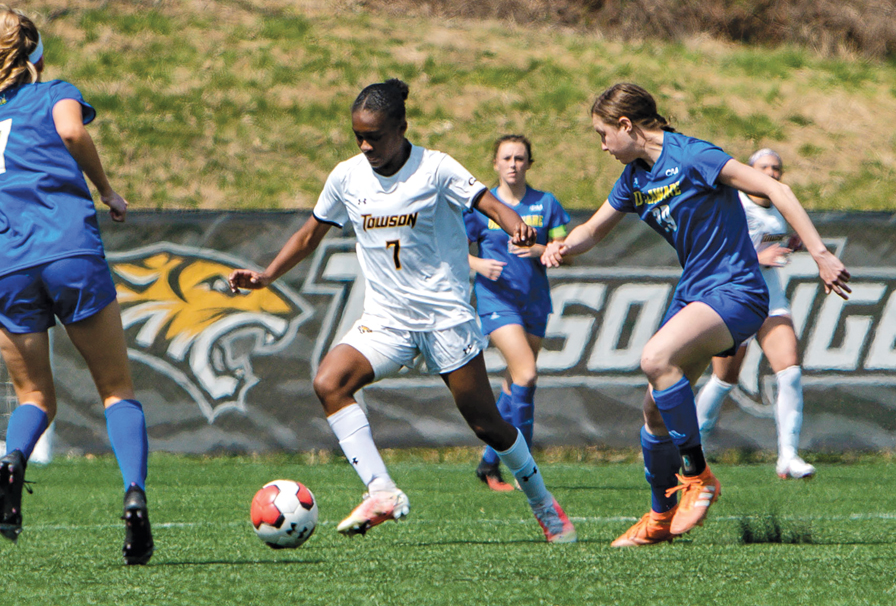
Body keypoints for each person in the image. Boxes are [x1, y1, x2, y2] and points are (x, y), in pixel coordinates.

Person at [229, 79, 577, 543]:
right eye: (359, 136)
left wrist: (516, 226)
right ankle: (382, 491)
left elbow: (490, 202)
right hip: (387, 320)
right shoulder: (347, 176)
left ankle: (543, 504)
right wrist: (268, 275)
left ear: (401, 127)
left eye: (376, 135)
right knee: (329, 382)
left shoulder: (434, 168)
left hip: (445, 319)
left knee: (486, 423)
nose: (367, 145)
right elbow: (310, 235)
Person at [542, 83, 850, 547]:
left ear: (627, 126)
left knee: (654, 358)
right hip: (695, 294)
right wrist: (563, 246)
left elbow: (775, 188)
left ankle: (697, 475)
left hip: (737, 291)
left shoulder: (693, 156)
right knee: (653, 414)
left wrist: (820, 252)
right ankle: (660, 518)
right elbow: (593, 228)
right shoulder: (634, 178)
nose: (602, 145)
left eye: (603, 134)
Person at [0, 8, 154, 565]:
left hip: (6, 268)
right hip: (69, 254)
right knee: (116, 389)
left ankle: (14, 458)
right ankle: (133, 494)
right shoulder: (56, 91)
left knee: (35, 396)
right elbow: (70, 128)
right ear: (37, 54)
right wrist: (107, 191)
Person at [695, 148, 815, 479]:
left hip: (770, 298)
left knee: (789, 370)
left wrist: (790, 245)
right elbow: (713, 252)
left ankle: (788, 457)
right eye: (764, 168)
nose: (772, 173)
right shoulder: (732, 203)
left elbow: (773, 242)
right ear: (749, 171)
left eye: (777, 168)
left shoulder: (777, 205)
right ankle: (691, 450)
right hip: (735, 297)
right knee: (724, 379)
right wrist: (757, 257)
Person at [465, 135, 570, 491]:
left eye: (520, 158)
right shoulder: (481, 206)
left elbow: (564, 249)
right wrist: (479, 264)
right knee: (526, 374)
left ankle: (489, 462)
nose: (513, 164)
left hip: (535, 302)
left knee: (514, 383)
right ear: (495, 164)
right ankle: (526, 470)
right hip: (497, 302)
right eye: (506, 158)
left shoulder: (546, 203)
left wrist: (541, 248)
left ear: (529, 163)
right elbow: (450, 251)